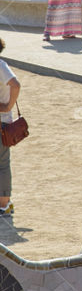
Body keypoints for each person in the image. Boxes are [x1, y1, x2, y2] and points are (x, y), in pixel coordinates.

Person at [0, 37, 21, 218]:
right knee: (3, 163)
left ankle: (4, 204)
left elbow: (16, 84)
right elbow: (15, 84)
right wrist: (8, 106)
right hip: (2, 122)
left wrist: (7, 106)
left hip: (2, 123)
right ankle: (4, 204)